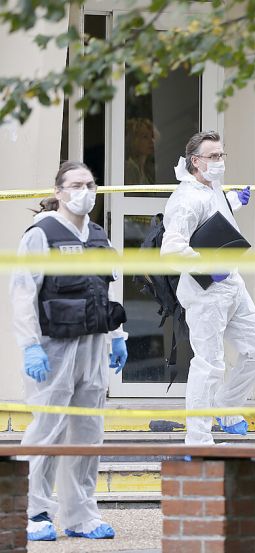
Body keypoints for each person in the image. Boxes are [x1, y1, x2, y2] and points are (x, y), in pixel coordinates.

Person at [12, 161, 128, 541]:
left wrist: (118, 336)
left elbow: (107, 289)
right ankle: (33, 511)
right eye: (77, 184)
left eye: (91, 184)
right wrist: (30, 346)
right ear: (59, 191)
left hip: (93, 344)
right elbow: (23, 294)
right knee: (47, 428)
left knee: (88, 431)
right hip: (54, 345)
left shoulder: (99, 236)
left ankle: (81, 514)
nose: (85, 191)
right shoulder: (40, 234)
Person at [161, 130, 255, 445]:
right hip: (205, 289)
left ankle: (224, 406)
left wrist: (234, 201)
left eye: (222, 155)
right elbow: (171, 251)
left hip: (231, 283)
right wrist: (207, 265)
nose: (220, 162)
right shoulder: (184, 200)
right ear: (195, 162)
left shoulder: (212, 188)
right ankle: (198, 439)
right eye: (213, 156)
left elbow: (212, 219)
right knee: (209, 364)